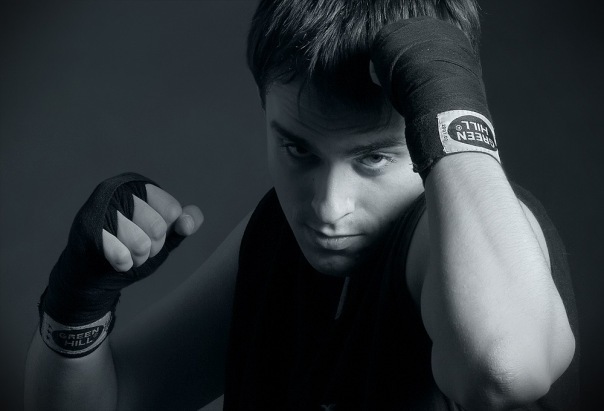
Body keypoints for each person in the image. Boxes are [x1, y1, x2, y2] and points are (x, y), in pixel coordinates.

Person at [24, 0, 580, 409]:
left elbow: (504, 374)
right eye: (298, 150)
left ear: (425, 125)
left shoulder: (458, 239)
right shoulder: (276, 238)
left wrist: (451, 104)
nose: (329, 208)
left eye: (374, 158)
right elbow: (108, 401)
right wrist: (79, 300)